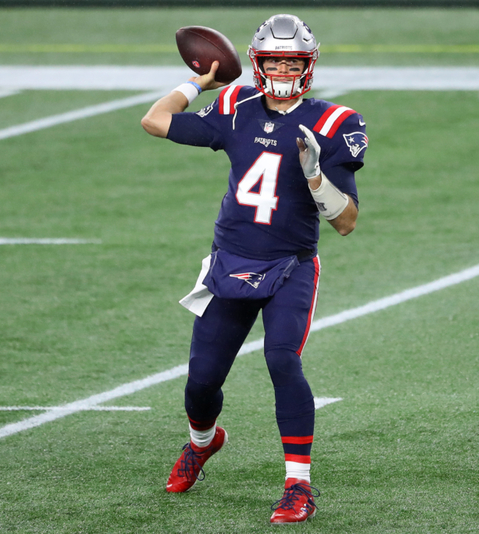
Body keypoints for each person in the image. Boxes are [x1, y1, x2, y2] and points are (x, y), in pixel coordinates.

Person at [140, 13, 367, 524]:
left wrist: (314, 177)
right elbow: (155, 121)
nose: (283, 69)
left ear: (309, 66)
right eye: (273, 60)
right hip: (231, 262)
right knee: (201, 380)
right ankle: (203, 442)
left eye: (293, 60)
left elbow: (347, 222)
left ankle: (298, 485)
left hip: (289, 266)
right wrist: (196, 81)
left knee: (282, 360)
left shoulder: (334, 122)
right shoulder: (234, 105)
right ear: (256, 64)